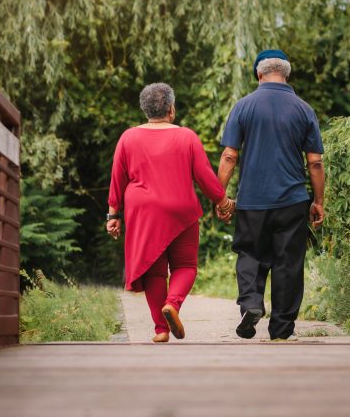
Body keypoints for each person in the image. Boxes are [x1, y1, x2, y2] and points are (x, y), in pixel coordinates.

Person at [107, 83, 235, 343]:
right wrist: (222, 201)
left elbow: (117, 179)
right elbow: (204, 176)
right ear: (171, 109)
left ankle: (160, 330)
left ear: (145, 110)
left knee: (154, 272)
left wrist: (113, 215)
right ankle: (173, 305)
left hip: (143, 213)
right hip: (180, 210)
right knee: (186, 265)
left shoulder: (128, 137)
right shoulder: (186, 137)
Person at [217, 49, 325, 341]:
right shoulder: (304, 109)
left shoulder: (243, 106)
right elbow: (314, 161)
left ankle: (251, 304)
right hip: (292, 201)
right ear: (286, 74)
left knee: (250, 253)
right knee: (288, 263)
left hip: (252, 200)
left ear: (259, 74)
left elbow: (229, 156)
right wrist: (318, 201)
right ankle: (281, 329)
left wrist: (220, 196)